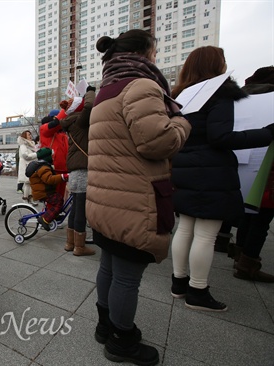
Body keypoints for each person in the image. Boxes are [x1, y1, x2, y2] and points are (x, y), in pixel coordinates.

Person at [87, 30, 191, 365]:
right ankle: (121, 340)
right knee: (127, 278)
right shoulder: (142, 86)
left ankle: (105, 326)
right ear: (146, 52)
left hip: (106, 199)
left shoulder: (105, 92)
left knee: (109, 266)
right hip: (133, 199)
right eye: (156, 50)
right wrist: (182, 123)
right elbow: (156, 143)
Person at [170, 48, 274, 311]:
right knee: (205, 234)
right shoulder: (220, 92)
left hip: (184, 167)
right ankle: (198, 290)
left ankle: (179, 284)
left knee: (185, 227)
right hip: (212, 170)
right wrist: (265, 133)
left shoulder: (182, 95)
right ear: (216, 66)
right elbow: (220, 137)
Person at [230, 66, 274, 283]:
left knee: (248, 209)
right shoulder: (269, 98)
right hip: (266, 159)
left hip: (239, 153)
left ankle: (240, 253)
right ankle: (247, 262)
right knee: (262, 215)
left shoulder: (241, 96)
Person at [60, 86, 97, 256]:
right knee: (80, 209)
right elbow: (89, 107)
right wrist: (90, 92)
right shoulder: (80, 122)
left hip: (74, 171)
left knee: (75, 207)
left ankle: (70, 243)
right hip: (82, 170)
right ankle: (79, 247)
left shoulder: (70, 123)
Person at [26, 147, 69, 231]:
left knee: (57, 197)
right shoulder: (43, 167)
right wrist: (63, 177)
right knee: (58, 201)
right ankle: (45, 219)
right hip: (43, 192)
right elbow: (49, 179)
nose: (53, 158)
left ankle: (53, 215)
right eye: (51, 156)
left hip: (44, 191)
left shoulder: (41, 165)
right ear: (47, 157)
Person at [40, 110, 69, 198]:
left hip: (63, 169)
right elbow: (55, 123)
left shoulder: (62, 134)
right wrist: (66, 110)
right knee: (53, 199)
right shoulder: (44, 129)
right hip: (53, 169)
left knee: (60, 199)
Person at [17, 130, 38, 205]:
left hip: (31, 166)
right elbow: (25, 156)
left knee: (30, 183)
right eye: (28, 135)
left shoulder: (31, 145)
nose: (30, 136)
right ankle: (25, 200)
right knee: (27, 183)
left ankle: (30, 199)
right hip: (26, 166)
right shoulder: (23, 145)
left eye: (30, 134)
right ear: (24, 136)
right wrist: (36, 155)